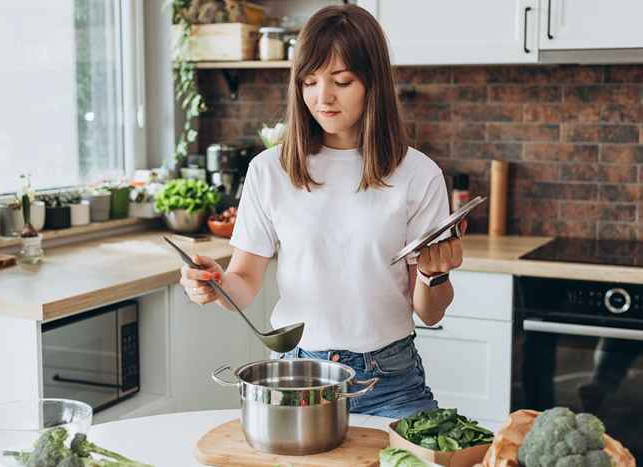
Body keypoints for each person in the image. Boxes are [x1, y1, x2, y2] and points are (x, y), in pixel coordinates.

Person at [179, 4, 466, 418]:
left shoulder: (418, 174)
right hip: (297, 377)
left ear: (373, 82)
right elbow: (243, 281)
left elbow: (430, 310)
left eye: (341, 81)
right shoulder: (270, 170)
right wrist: (214, 284)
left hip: (391, 381)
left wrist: (433, 273)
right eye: (309, 82)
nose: (322, 97)